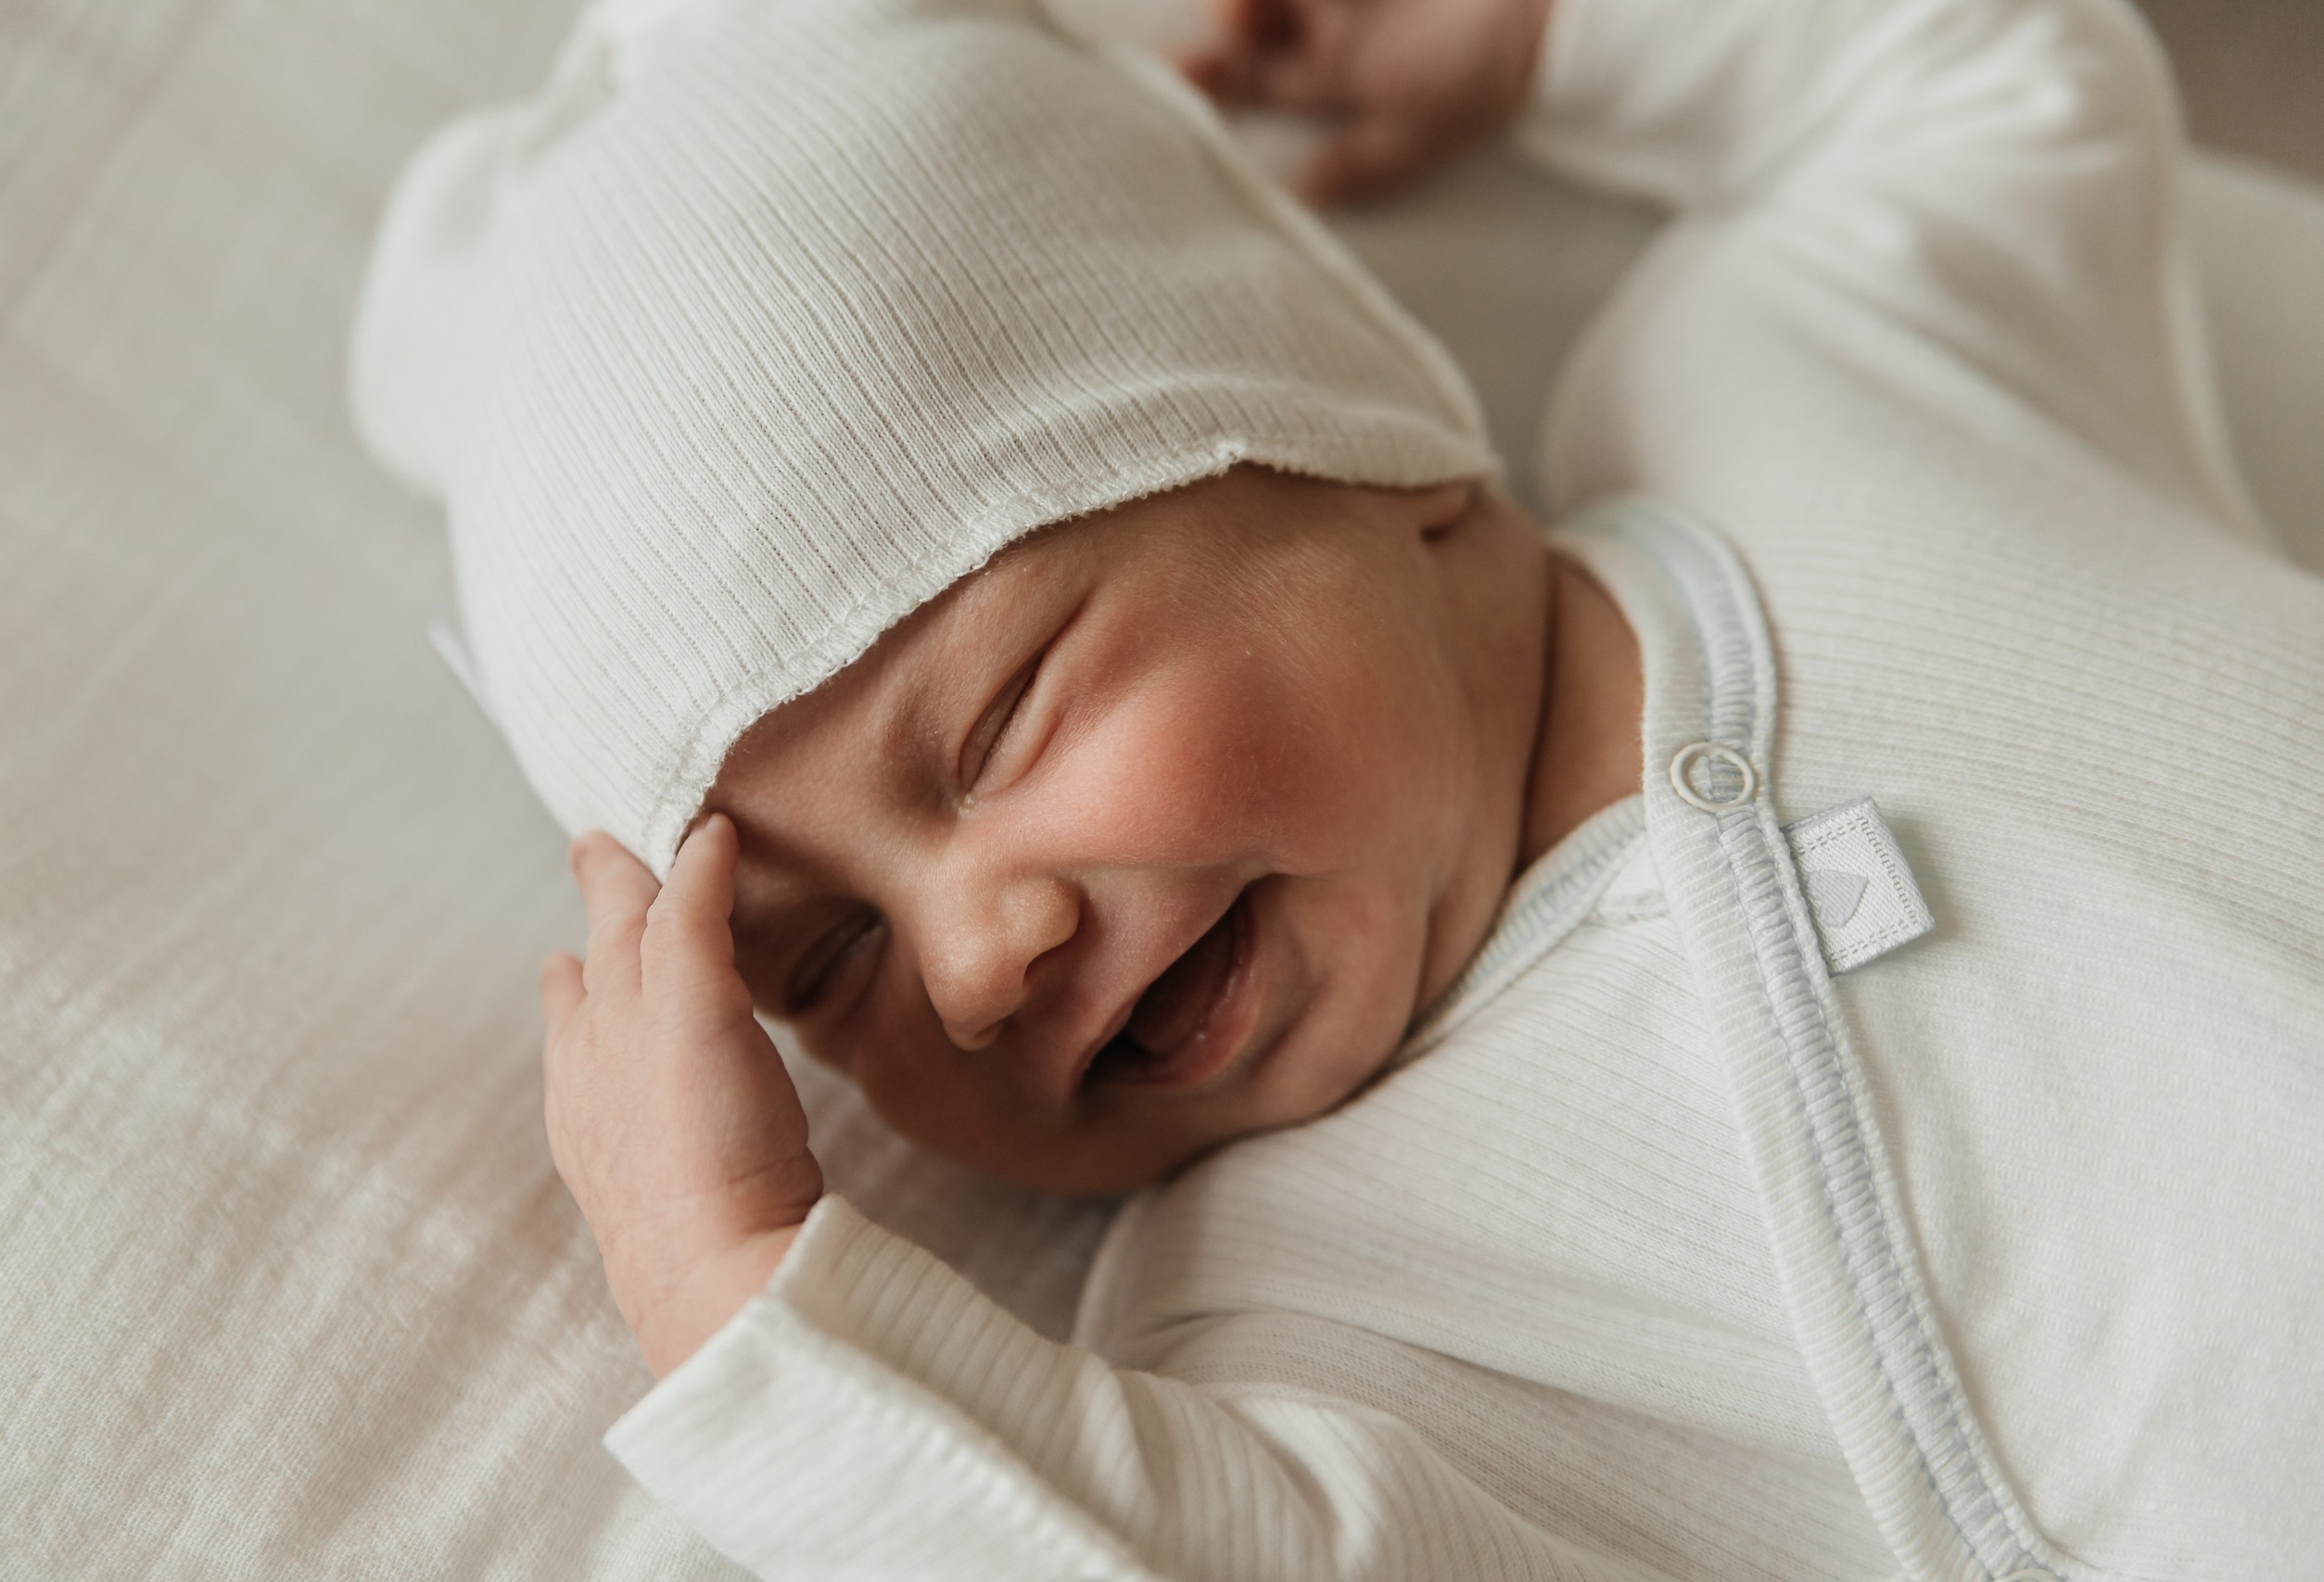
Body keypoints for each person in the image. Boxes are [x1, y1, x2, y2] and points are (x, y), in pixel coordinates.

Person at [349, 0, 2324, 1576]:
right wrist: (746, 1303)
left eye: (996, 726)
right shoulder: (1279, 1325)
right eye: (826, 962)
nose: (971, 960)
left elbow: (1979, 68)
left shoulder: (1805, 379)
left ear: (1344, 428)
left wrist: (1549, 35)